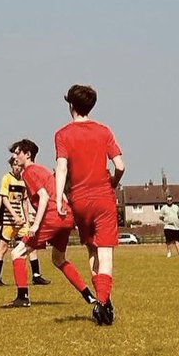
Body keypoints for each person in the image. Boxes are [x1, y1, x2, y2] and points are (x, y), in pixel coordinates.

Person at [53, 85, 125, 327]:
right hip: (104, 197)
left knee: (92, 252)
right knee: (106, 253)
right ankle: (102, 302)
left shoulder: (62, 134)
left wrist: (58, 197)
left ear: (71, 106)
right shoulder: (104, 131)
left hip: (80, 199)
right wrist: (113, 182)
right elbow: (121, 165)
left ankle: (103, 303)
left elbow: (61, 168)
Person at [6, 140, 96, 310]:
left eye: (17, 153)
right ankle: (88, 295)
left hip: (52, 217)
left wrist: (35, 225)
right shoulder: (44, 170)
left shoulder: (29, 172)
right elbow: (60, 193)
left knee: (17, 252)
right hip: (65, 216)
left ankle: (22, 297)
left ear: (28, 155)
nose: (14, 157)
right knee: (58, 259)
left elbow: (44, 197)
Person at [0, 157, 49, 288]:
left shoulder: (24, 180)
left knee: (30, 245)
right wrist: (14, 215)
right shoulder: (6, 178)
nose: (17, 167)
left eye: (18, 165)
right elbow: (4, 199)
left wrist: (27, 220)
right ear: (11, 166)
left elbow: (24, 201)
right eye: (15, 165)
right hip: (8, 219)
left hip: (21, 221)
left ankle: (36, 275)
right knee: (3, 248)